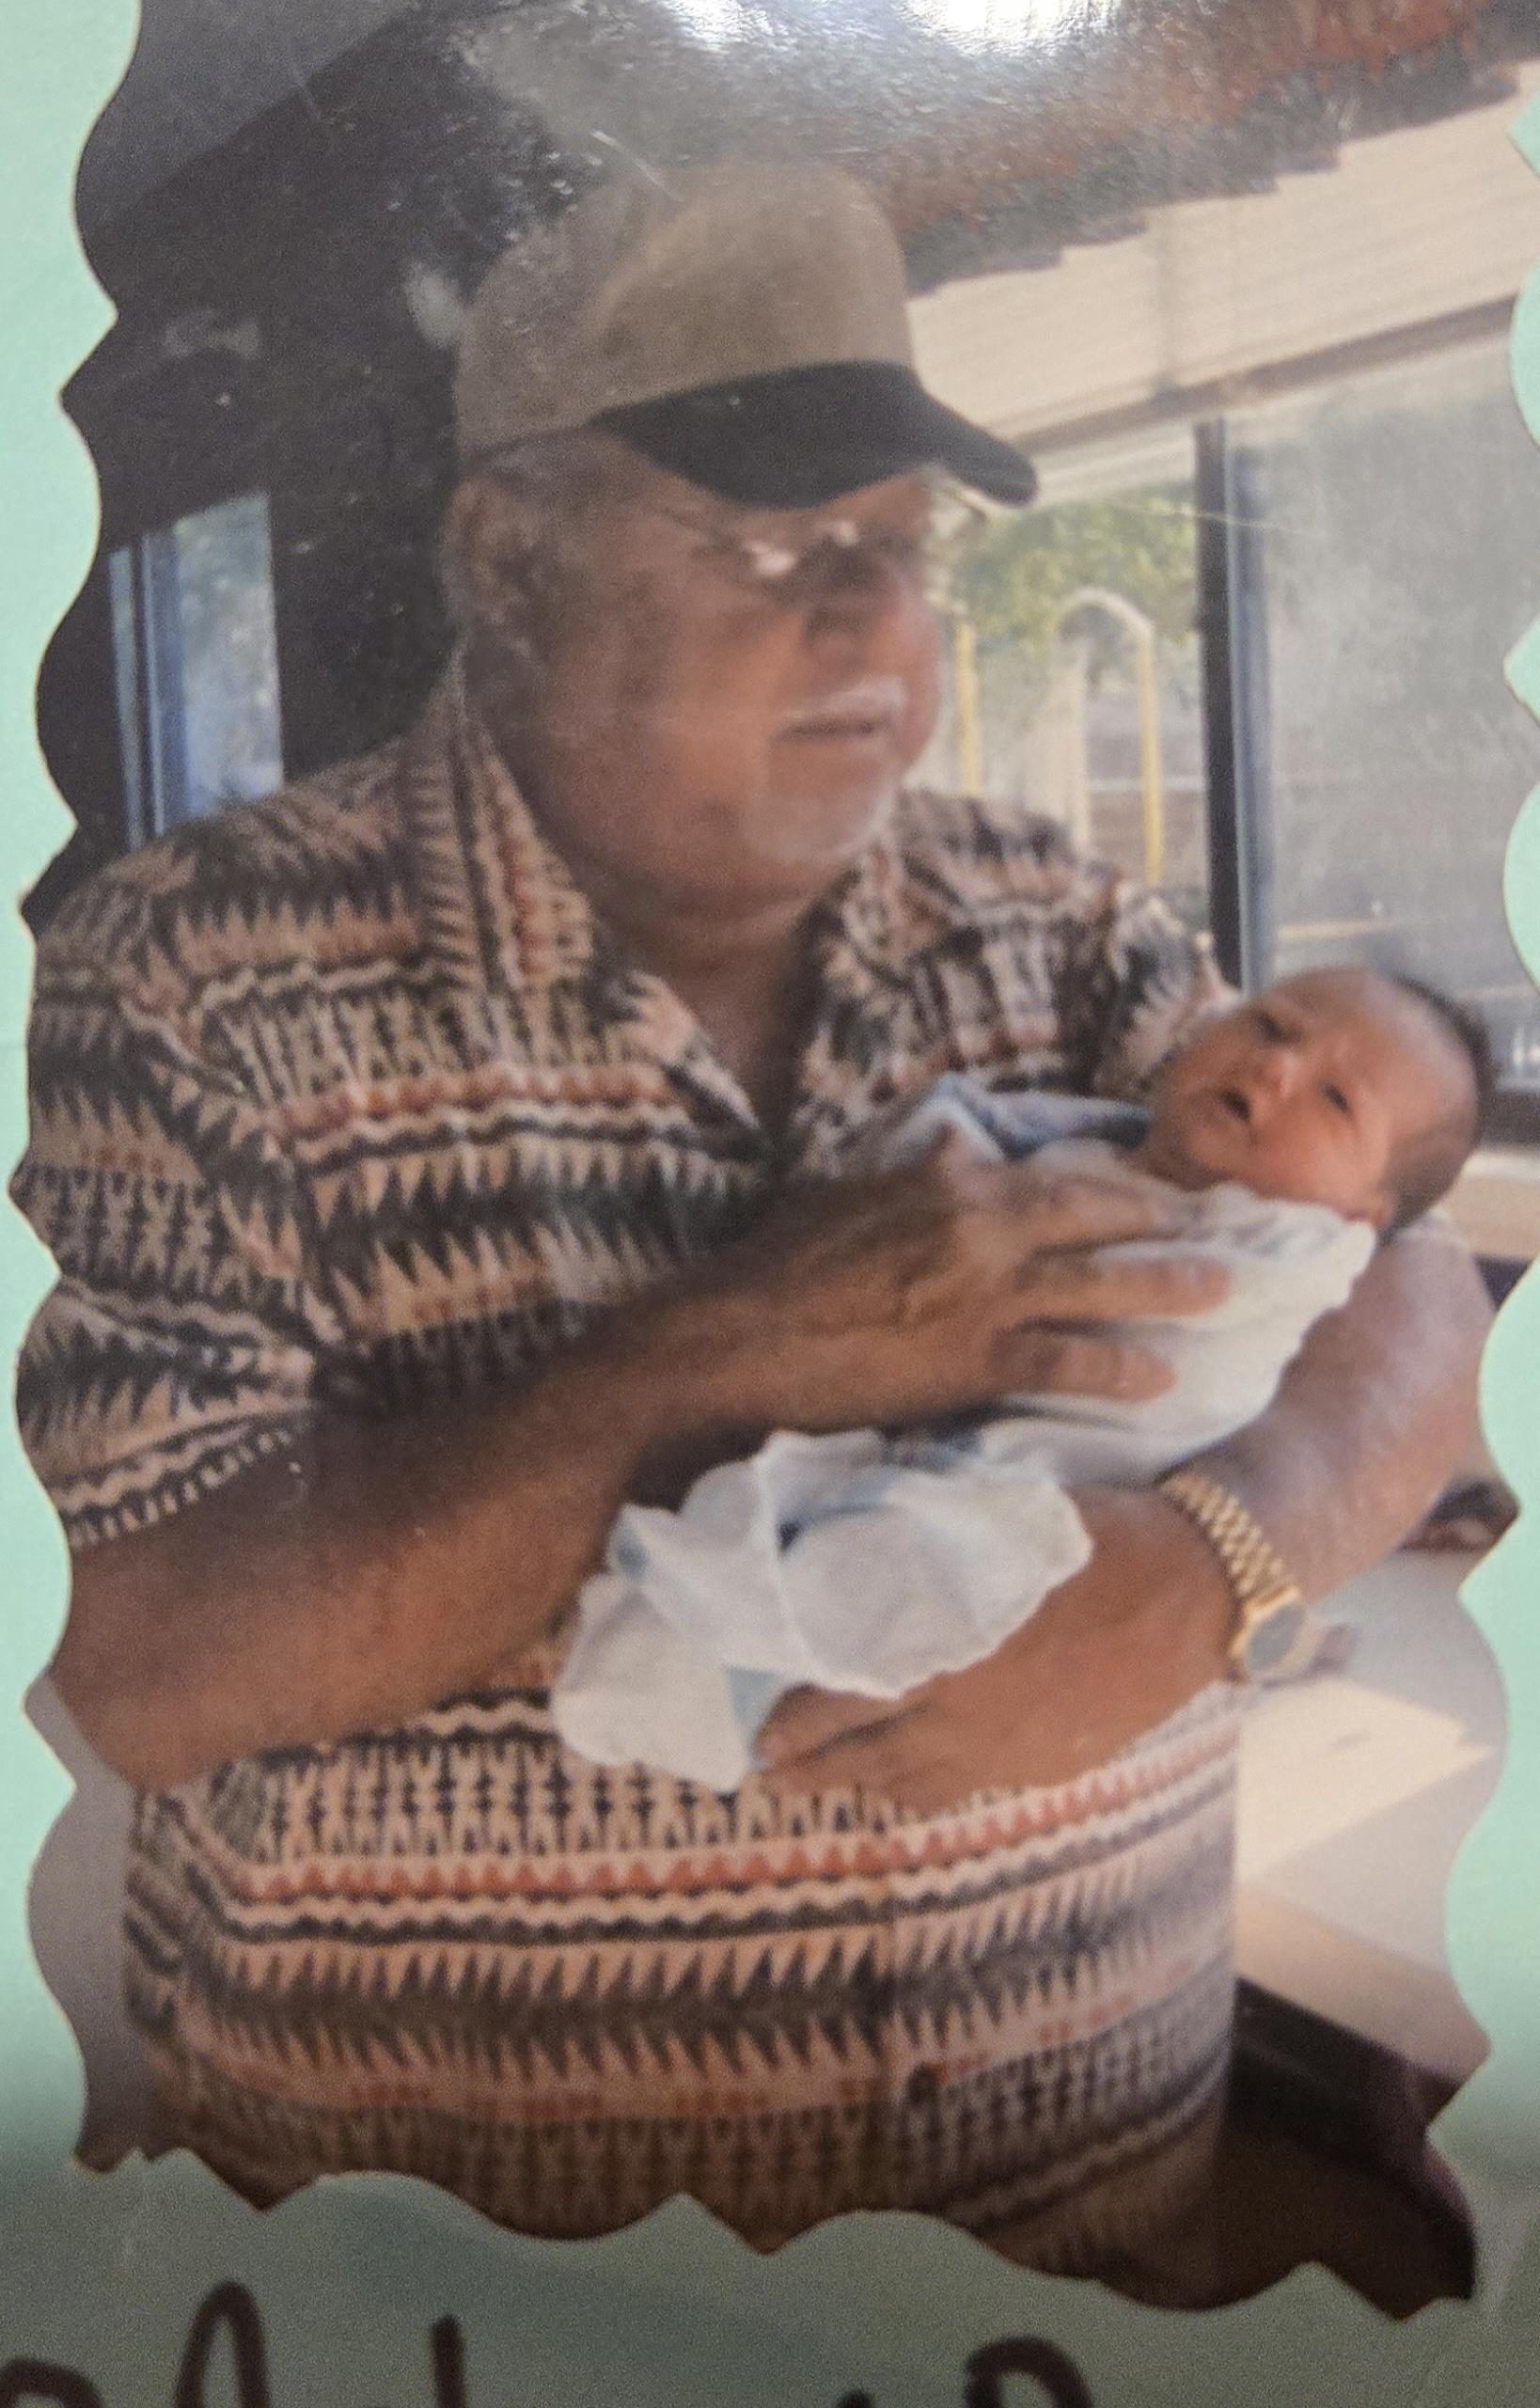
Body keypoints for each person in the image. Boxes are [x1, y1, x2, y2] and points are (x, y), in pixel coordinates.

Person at [14, 163, 1490, 2280]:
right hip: (482, 2278)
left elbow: (1403, 1261)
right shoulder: (185, 978)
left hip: (1068, 2212)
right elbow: (138, 1665)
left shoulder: (1050, 912)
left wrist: (1212, 1564)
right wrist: (723, 1346)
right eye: (776, 543)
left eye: (903, 544)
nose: (878, 626)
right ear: (509, 558)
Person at [553, 965, 1490, 1789]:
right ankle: (692, 1652)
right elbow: (933, 1177)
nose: (1277, 1068)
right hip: (921, 1442)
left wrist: (1222, 1570)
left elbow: (1433, 1300)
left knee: (918, 1566)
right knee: (814, 1537)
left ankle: (717, 1666)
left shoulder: (1286, 1243)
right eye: (1271, 1025)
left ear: (1363, 1214)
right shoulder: (1065, 1145)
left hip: (1062, 1486)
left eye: (1336, 1101)